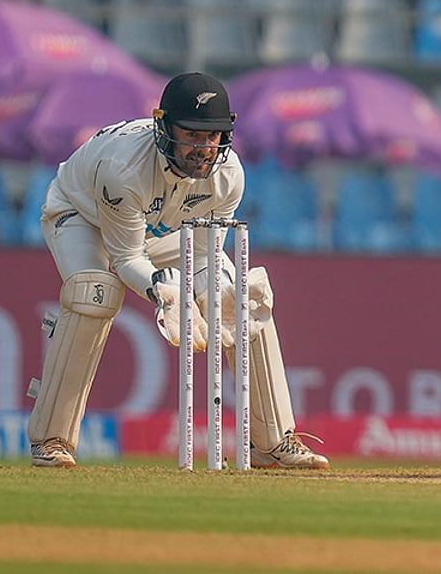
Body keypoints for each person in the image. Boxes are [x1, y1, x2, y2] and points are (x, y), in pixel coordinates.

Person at [27, 72, 329, 470]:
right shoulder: (124, 169)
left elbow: (205, 254)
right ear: (164, 127)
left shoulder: (228, 177)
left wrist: (207, 293)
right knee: (94, 292)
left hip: (163, 229)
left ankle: (271, 442)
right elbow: (126, 259)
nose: (203, 148)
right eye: (191, 135)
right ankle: (51, 439)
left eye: (212, 137)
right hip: (82, 214)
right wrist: (162, 293)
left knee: (235, 297)